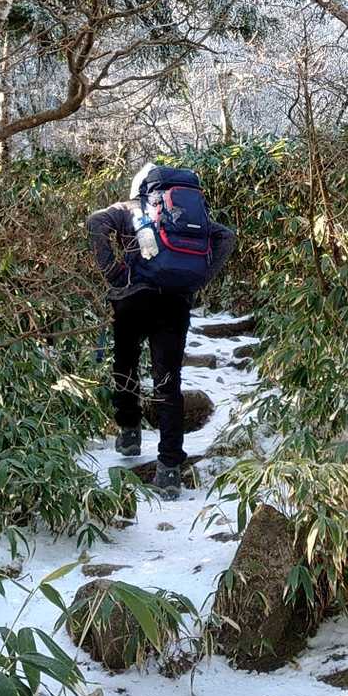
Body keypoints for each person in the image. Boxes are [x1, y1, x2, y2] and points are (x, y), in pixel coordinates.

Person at [86, 162, 236, 500]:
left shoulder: (128, 208)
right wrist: (200, 279)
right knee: (168, 381)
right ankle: (169, 468)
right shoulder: (185, 213)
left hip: (131, 300)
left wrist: (114, 273)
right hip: (175, 302)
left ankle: (129, 432)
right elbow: (226, 236)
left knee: (125, 365)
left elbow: (95, 222)